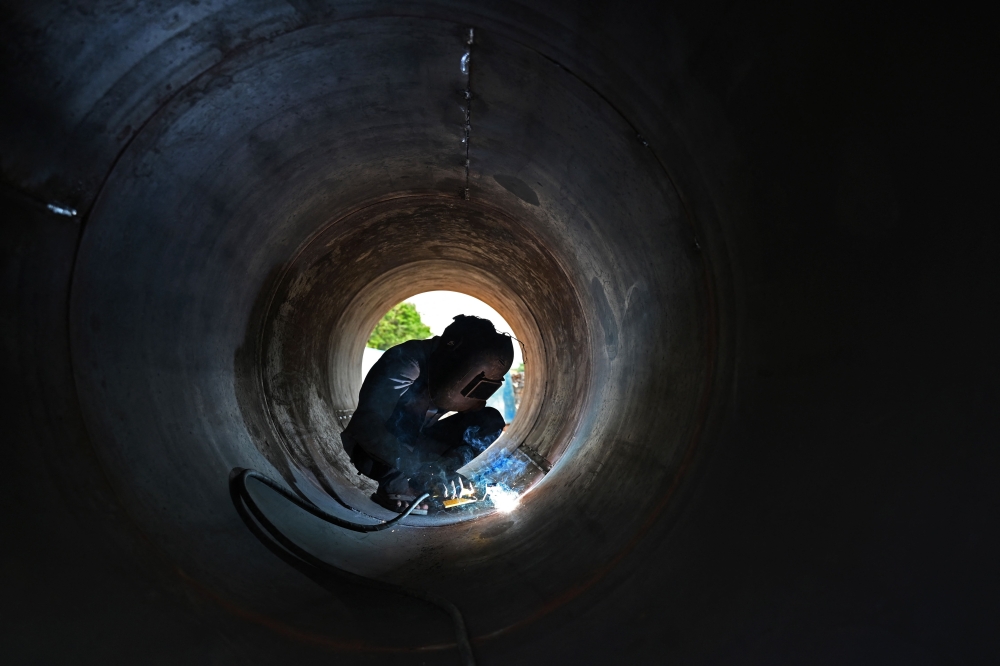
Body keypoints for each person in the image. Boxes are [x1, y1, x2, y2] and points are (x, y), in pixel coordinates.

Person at [341, 315, 514, 514]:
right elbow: (366, 425)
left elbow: (472, 419)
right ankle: (394, 486)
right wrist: (417, 468)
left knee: (489, 421)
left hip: (417, 454)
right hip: (371, 454)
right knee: (416, 400)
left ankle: (432, 481)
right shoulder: (407, 359)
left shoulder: (454, 371)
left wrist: (439, 472)